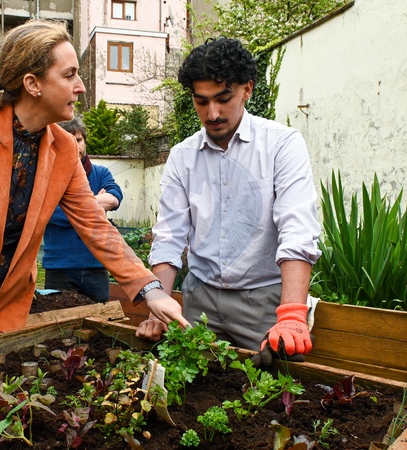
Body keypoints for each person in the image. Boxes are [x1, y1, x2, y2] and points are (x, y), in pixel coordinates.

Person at [0, 20, 188, 354]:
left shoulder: (64, 148)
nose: (81, 87)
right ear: (32, 83)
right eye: (69, 75)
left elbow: (96, 226)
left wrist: (150, 289)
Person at [135, 37, 321, 357]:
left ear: (247, 89)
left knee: (269, 384)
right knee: (191, 380)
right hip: (199, 299)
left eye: (223, 98)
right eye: (201, 101)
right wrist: (158, 307)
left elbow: (297, 228)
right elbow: (169, 236)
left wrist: (291, 314)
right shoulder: (182, 157)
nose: (212, 113)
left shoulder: (281, 144)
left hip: (262, 302)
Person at [42, 117, 122, 302]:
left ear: (85, 141)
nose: (74, 145)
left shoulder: (101, 173)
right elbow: (50, 213)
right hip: (59, 269)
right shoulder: (46, 177)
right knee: (60, 319)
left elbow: (114, 199)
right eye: (68, 140)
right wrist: (96, 207)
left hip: (96, 266)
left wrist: (70, 205)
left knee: (100, 318)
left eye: (78, 140)